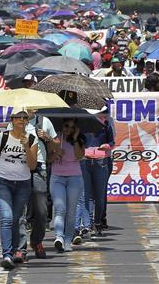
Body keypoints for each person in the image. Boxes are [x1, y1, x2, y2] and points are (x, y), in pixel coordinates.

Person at [0, 110, 38, 270]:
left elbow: (32, 166)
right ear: (12, 120)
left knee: (17, 219)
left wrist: (26, 147)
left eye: (25, 118)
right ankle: (7, 254)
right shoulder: (2, 137)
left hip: (23, 184)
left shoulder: (32, 139)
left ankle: (17, 250)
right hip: (3, 183)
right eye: (18, 117)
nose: (22, 120)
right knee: (7, 218)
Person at [14, 108, 57, 260]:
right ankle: (20, 248)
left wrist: (48, 138)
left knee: (41, 211)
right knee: (19, 211)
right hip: (19, 167)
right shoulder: (15, 122)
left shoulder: (44, 122)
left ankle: (37, 241)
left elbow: (57, 146)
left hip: (39, 169)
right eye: (27, 105)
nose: (30, 108)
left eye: (33, 105)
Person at [75, 108, 114, 242]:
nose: (102, 114)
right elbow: (77, 141)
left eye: (104, 112)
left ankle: (97, 223)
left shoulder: (106, 124)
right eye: (100, 112)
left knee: (100, 195)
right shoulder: (82, 124)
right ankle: (89, 224)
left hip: (101, 161)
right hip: (85, 161)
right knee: (87, 195)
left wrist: (107, 146)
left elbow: (112, 142)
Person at [49, 118, 85, 252]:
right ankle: (59, 237)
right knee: (60, 208)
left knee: (71, 211)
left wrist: (75, 139)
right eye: (66, 126)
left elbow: (80, 156)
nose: (68, 129)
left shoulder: (80, 139)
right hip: (57, 177)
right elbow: (48, 158)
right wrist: (56, 154)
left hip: (74, 178)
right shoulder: (56, 138)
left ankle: (68, 240)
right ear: (62, 126)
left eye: (72, 127)